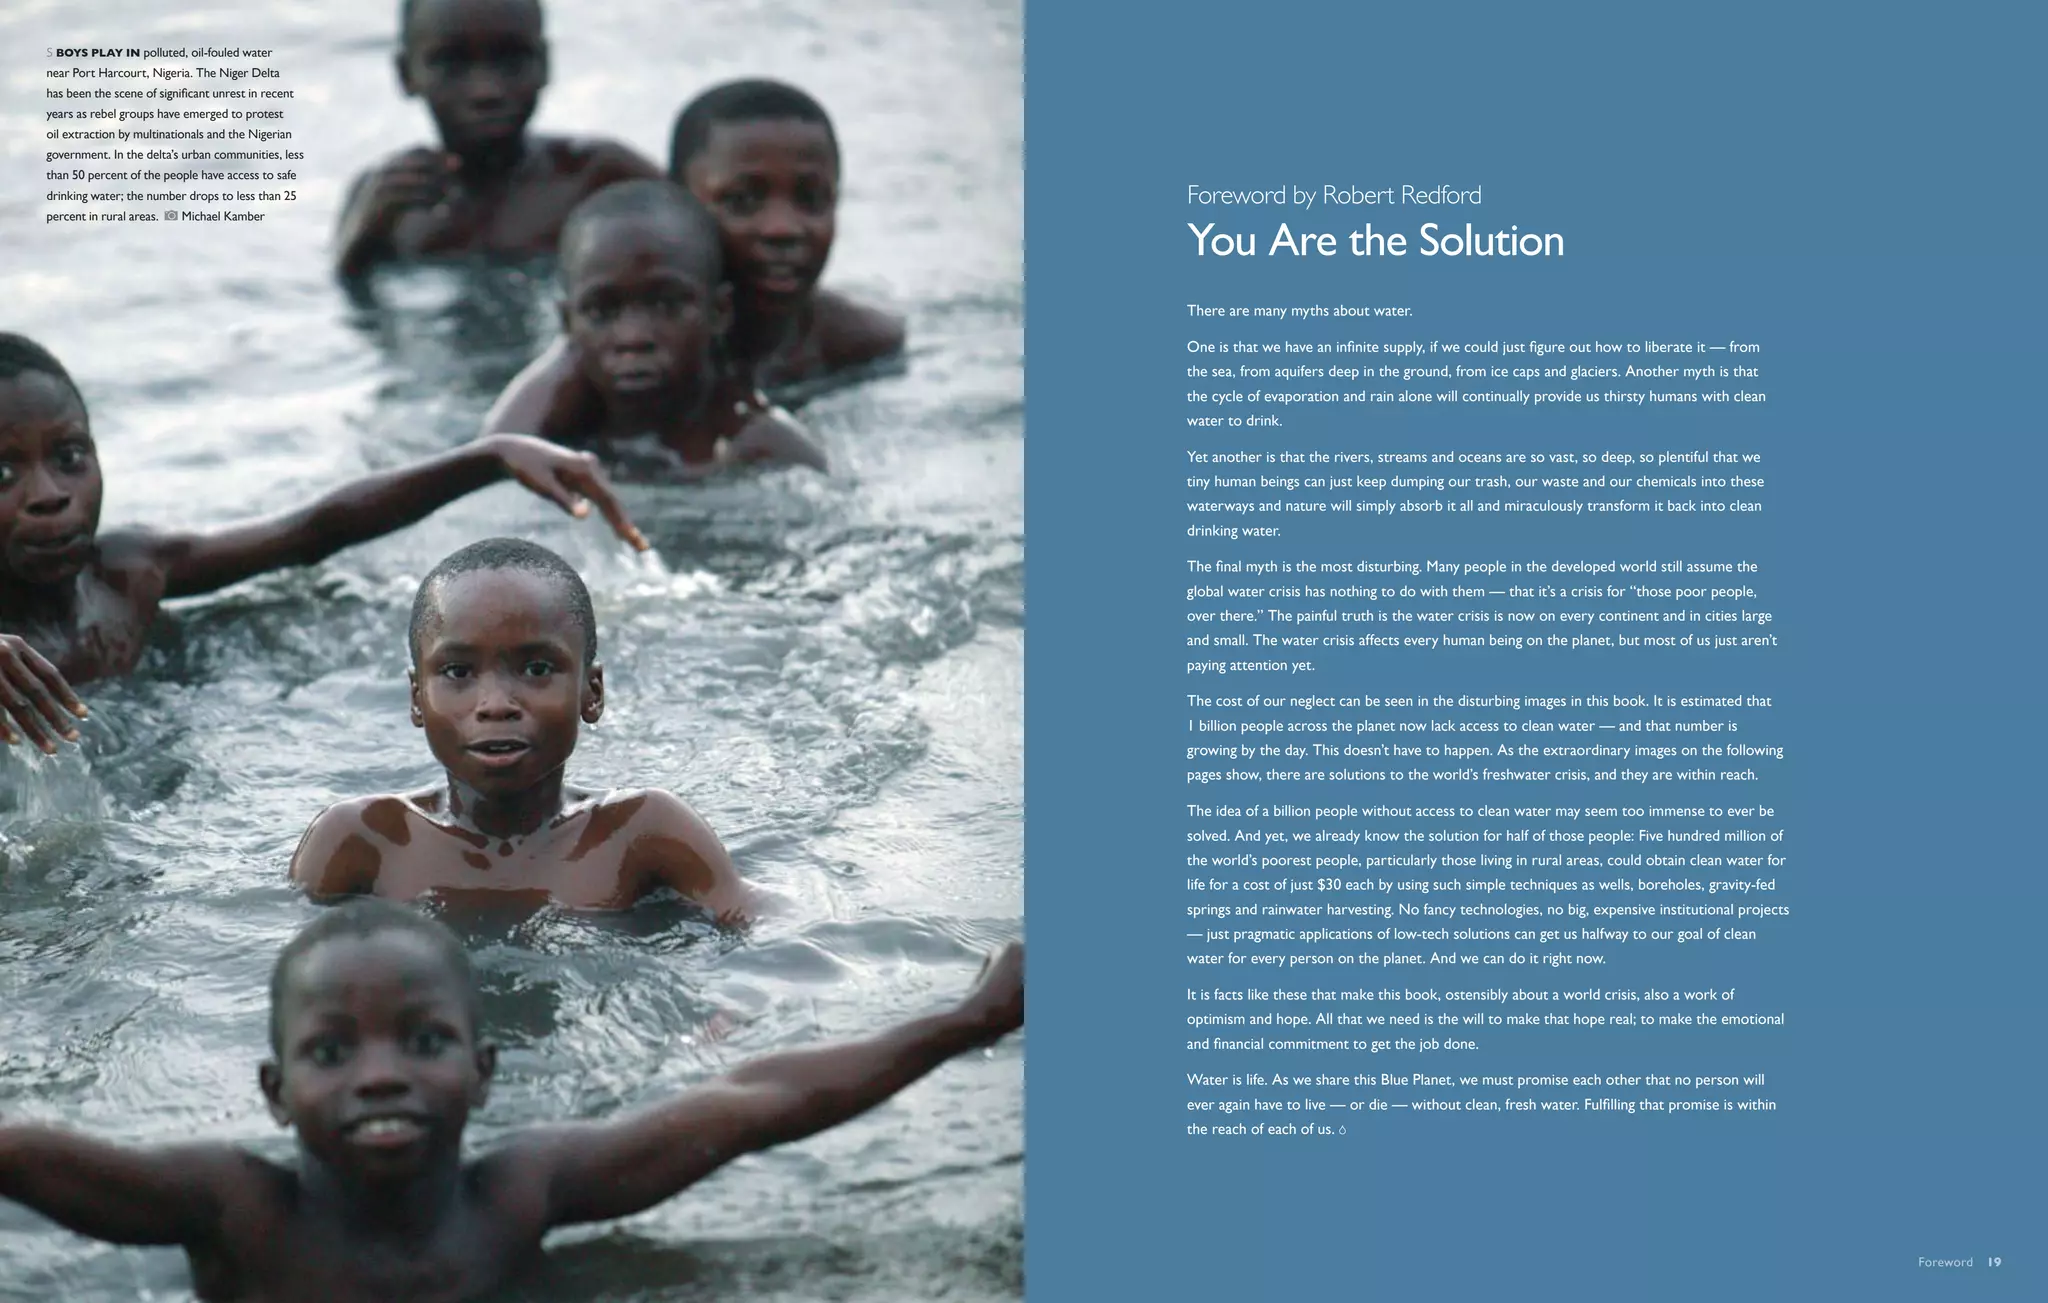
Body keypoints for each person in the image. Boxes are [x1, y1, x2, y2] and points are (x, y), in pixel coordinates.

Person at [0, 897, 1024, 1301]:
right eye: (330, 1049)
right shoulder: (234, 1209)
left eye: (426, 1039)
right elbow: (19, 1151)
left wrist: (969, 1020)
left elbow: (749, 1104)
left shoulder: (518, 1194)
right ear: (274, 1094)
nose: (382, 1072)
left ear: (483, 1072)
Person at [0, 333, 645, 749]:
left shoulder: (125, 575)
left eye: (71, 456)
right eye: (5, 473)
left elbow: (312, 531)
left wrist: (487, 457)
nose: (49, 493)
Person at [290, 538, 754, 917]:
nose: (495, 705)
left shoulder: (639, 833)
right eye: (457, 672)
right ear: (417, 697)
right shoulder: (364, 841)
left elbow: (766, 938)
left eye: (535, 669)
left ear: (591, 692)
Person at [482, 181, 827, 476]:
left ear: (719, 312)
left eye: (666, 306)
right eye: (602, 311)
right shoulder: (548, 418)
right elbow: (489, 462)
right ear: (568, 323)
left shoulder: (764, 445)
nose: (634, 338)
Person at [334, 0, 660, 278]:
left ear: (545, 65)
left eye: (512, 59)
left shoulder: (600, 177)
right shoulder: (385, 202)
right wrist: (364, 237)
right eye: (453, 63)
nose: (486, 90)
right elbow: (348, 292)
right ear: (407, 75)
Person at [669, 78, 905, 397]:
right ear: (674, 203)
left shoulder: (862, 346)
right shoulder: (632, 348)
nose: (783, 229)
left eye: (811, 200)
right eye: (742, 201)